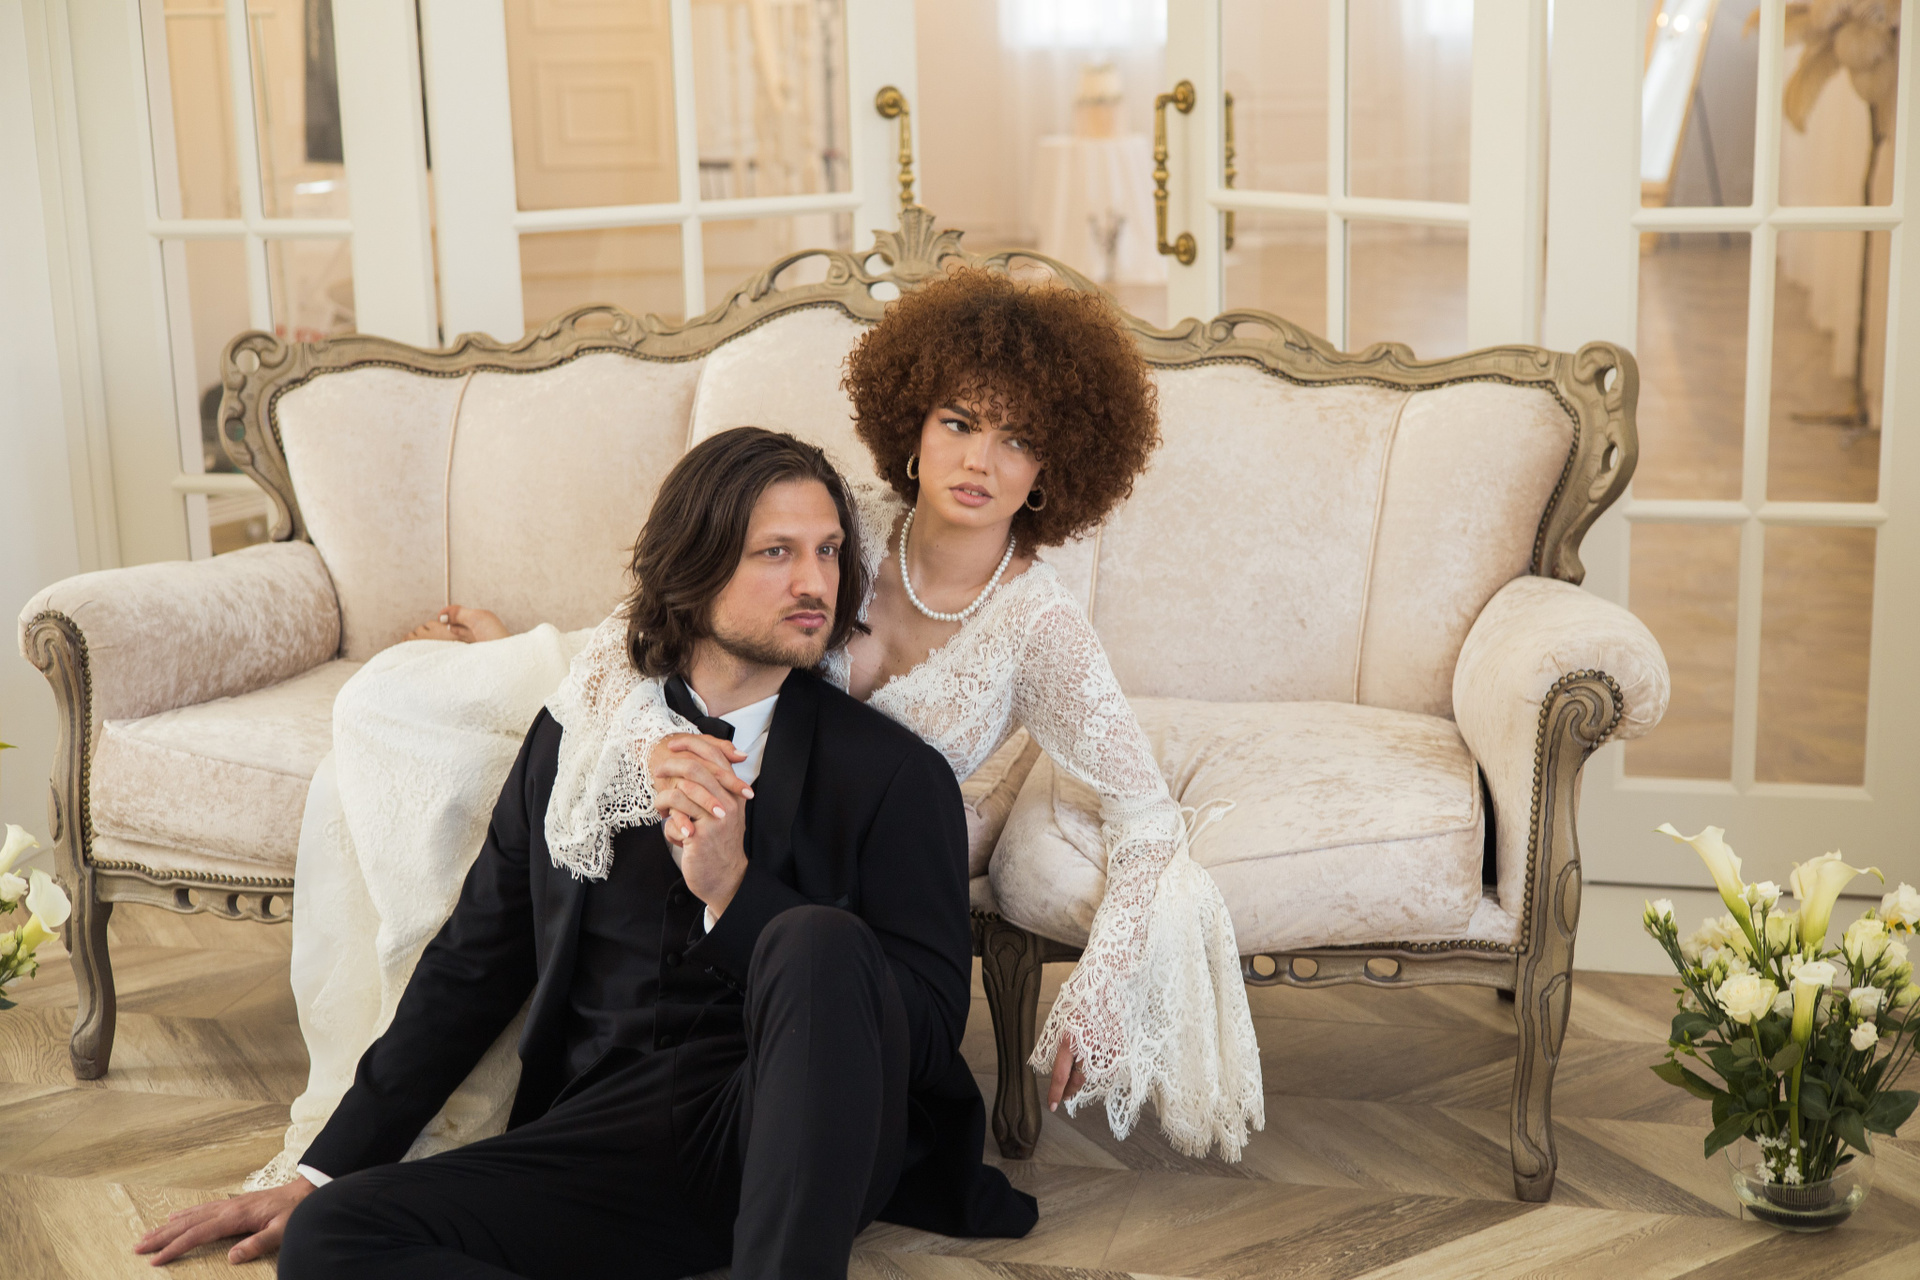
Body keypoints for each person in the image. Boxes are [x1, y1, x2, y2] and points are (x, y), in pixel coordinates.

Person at [134, 428, 1036, 1275]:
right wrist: (322, 1171)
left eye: (829, 551)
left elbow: (924, 1030)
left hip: (794, 1132)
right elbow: (474, 964)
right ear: (693, 567)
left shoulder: (892, 775)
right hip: (604, 1141)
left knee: (815, 940)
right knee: (332, 1236)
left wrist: (735, 889)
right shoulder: (578, 742)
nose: (815, 581)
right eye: (776, 552)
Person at [585, 267, 1262, 1157]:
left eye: (1018, 439)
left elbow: (1146, 818)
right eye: (959, 422)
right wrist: (654, 744)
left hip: (845, 892)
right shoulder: (842, 529)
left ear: (1052, 467)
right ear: (912, 426)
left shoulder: (1039, 626)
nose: (980, 462)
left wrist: (1100, 984)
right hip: (739, 827)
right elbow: (646, 633)